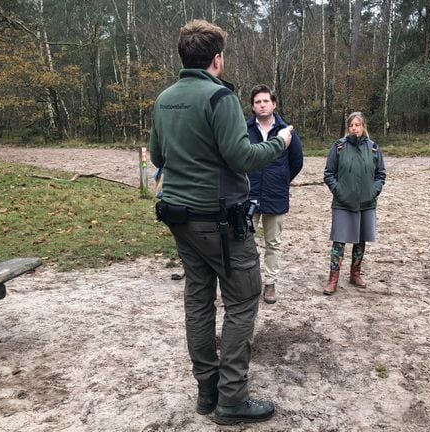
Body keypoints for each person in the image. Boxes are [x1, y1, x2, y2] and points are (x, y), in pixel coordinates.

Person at [149, 19, 294, 425]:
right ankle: (231, 399)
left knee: (197, 300)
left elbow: (158, 157)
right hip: (220, 221)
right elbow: (243, 157)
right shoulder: (219, 98)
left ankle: (206, 391)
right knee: (244, 297)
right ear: (217, 58)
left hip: (178, 217)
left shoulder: (163, 100)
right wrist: (277, 143)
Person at [246, 84, 304, 304]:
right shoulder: (244, 129)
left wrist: (280, 180)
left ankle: (270, 283)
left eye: (266, 101)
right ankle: (248, 283)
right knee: (244, 241)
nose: (262, 105)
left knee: (273, 243)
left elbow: (296, 161)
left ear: (274, 104)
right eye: (258, 102)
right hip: (249, 195)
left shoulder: (286, 131)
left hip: (275, 195)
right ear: (252, 106)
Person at [322, 112, 386, 295]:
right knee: (339, 242)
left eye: (358, 125)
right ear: (347, 127)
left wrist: (373, 191)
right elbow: (329, 173)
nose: (354, 128)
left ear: (363, 126)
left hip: (366, 203)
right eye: (351, 125)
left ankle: (355, 273)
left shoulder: (373, 148)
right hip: (343, 203)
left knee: (360, 239)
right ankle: (333, 278)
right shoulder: (339, 147)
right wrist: (339, 190)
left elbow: (381, 174)